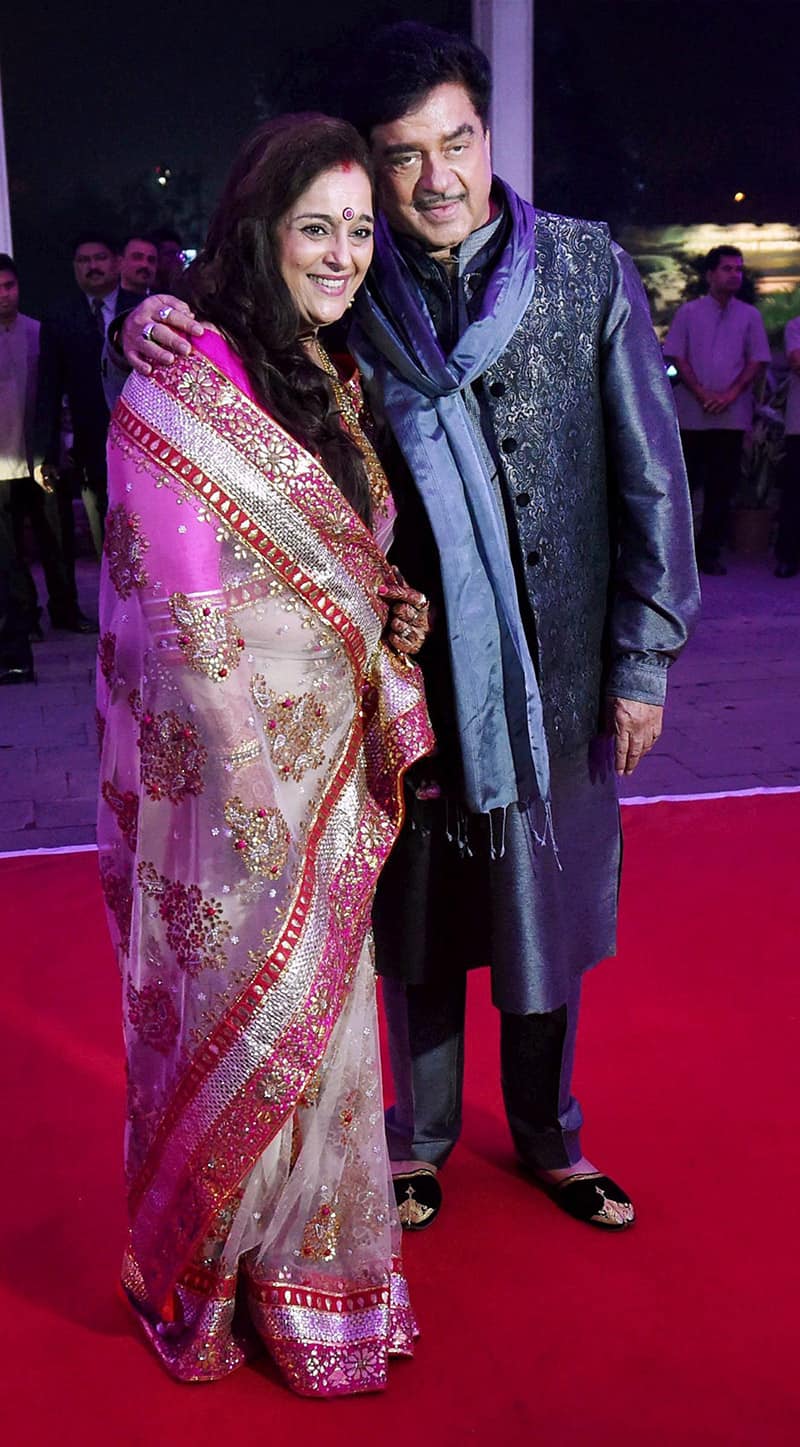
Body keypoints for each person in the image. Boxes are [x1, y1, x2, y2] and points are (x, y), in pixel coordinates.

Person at [121, 23, 700, 1235]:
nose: (439, 178)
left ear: (488, 134)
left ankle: (548, 1135)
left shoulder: (584, 270)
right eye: (403, 157)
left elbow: (652, 483)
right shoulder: (349, 281)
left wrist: (640, 663)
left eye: (459, 141)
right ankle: (417, 1138)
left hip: (558, 671)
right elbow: (236, 325)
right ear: (367, 167)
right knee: (419, 920)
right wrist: (152, 322)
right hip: (402, 681)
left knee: (545, 916)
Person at [97, 113, 433, 1396]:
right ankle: (213, 1277)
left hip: (328, 766)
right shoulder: (185, 375)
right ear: (258, 230)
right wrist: (246, 790)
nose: (344, 251)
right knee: (235, 1022)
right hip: (232, 779)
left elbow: (339, 556)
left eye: (359, 228)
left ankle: (322, 1284)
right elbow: (180, 612)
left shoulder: (328, 373)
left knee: (333, 1036)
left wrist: (382, 626)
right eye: (316, 227)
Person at [34, 232, 141, 624]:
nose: (92, 267)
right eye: (83, 261)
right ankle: (119, 618)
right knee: (106, 539)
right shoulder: (61, 317)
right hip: (92, 444)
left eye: (99, 258)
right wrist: (45, 451)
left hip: (145, 440)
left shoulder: (143, 306)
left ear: (116, 263)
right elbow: (48, 386)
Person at [664, 246, 771, 575]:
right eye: (727, 269)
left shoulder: (749, 315)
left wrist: (728, 396)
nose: (734, 275)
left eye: (738, 269)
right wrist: (702, 393)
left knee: (721, 486)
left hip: (731, 415)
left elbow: (757, 360)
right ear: (710, 274)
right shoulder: (689, 313)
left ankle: (709, 552)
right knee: (686, 484)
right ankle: (678, 554)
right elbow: (676, 357)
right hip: (693, 415)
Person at [0, 254, 38, 681]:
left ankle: (24, 632)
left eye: (8, 286)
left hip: (30, 459)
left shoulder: (36, 333)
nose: (3, 295)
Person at [775, 313, 800, 577]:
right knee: (795, 494)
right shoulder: (796, 325)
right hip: (799, 426)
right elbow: (796, 361)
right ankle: (788, 556)